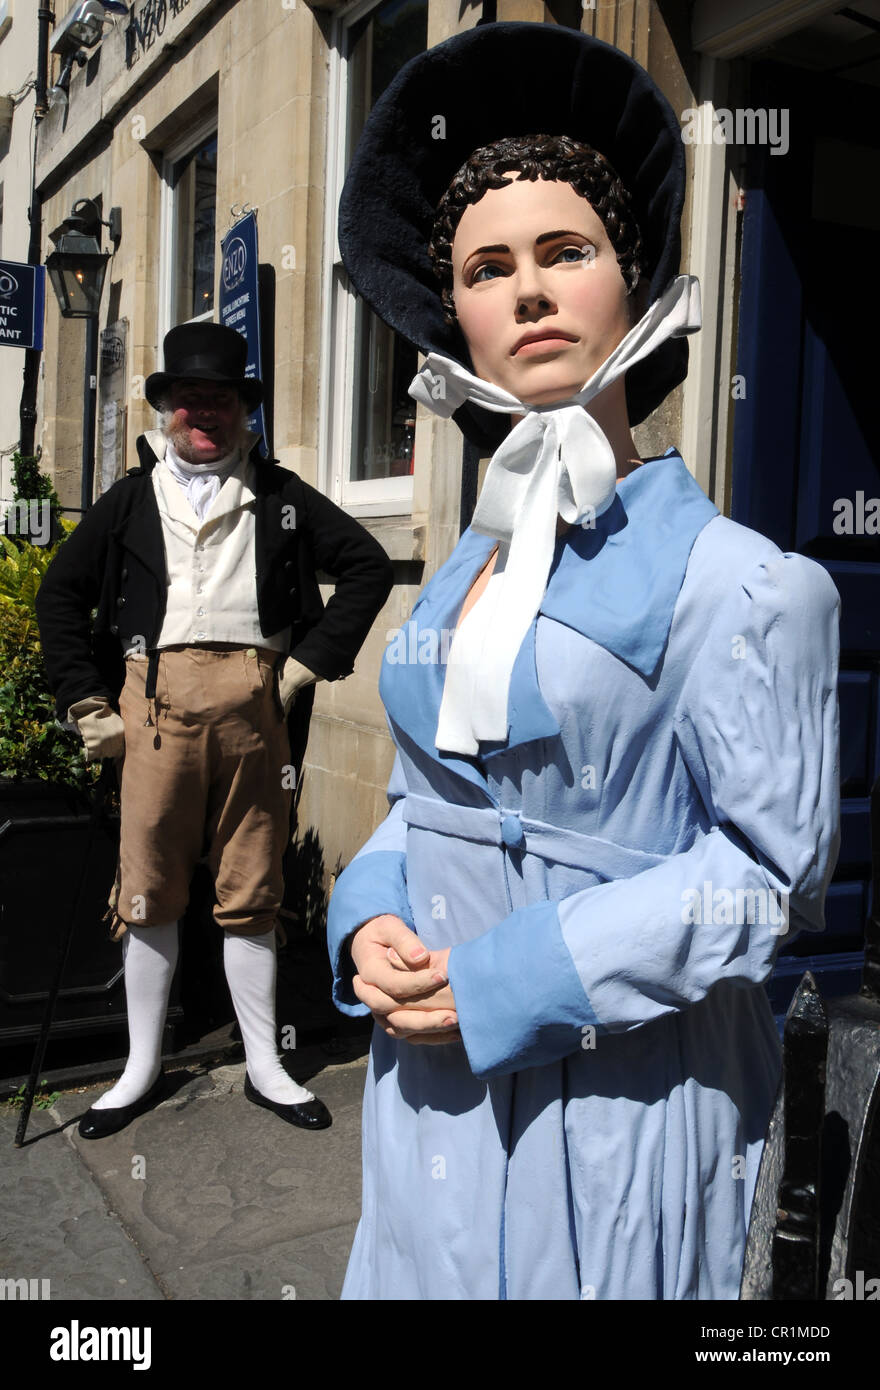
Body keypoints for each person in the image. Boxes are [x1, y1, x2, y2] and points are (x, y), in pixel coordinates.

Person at [326, 23, 841, 1299]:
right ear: (453, 309)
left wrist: (518, 976)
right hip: (426, 1098)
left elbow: (767, 880)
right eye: (488, 267)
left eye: (567, 251)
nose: (531, 292)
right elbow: (424, 796)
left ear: (630, 276)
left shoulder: (741, 580)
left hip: (615, 1104)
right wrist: (367, 915)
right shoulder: (464, 570)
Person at [36, 321, 393, 1138]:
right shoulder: (129, 499)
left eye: (221, 399)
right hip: (151, 706)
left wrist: (305, 666)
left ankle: (267, 1066)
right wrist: (88, 701)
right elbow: (60, 596)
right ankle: (139, 1068)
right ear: (166, 409)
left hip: (255, 709)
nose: (206, 413)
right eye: (190, 398)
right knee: (149, 889)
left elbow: (369, 565)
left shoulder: (283, 496)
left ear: (243, 411)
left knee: (253, 890)